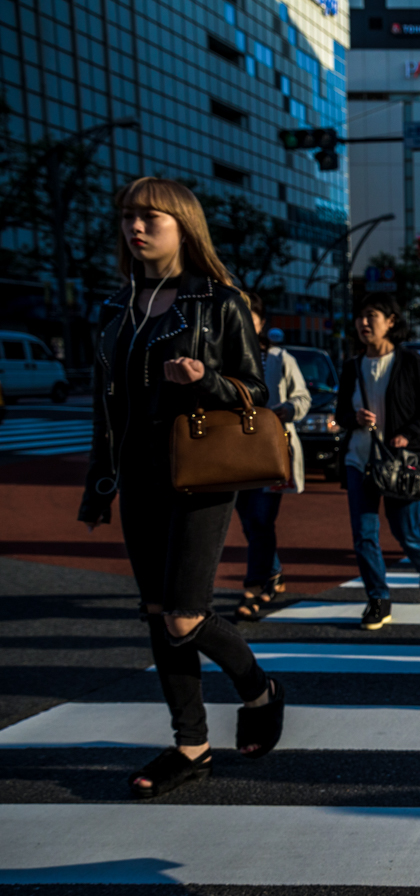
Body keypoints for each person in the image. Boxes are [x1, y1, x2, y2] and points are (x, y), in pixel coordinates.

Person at [77, 176, 286, 798]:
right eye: (128, 217)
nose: (135, 228)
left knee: (184, 616)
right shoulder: (115, 309)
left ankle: (260, 688)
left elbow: (256, 392)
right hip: (138, 478)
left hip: (198, 473)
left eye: (151, 218)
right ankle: (191, 745)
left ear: (183, 227)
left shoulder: (217, 302)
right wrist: (99, 486)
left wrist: (204, 380)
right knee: (155, 614)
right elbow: (104, 408)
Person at [335, 293, 420, 630]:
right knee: (364, 534)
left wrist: (407, 433)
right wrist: (354, 418)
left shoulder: (410, 362)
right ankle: (378, 599)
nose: (364, 323)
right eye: (360, 317)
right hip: (359, 460)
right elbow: (340, 414)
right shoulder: (352, 366)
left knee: (406, 530)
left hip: (400, 461)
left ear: (391, 321)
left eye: (372, 316)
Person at [232, 294, 311, 621]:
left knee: (262, 520)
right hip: (233, 454)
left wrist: (288, 409)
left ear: (262, 323)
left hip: (272, 449)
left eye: (250, 318)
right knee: (248, 521)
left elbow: (303, 397)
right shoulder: (225, 358)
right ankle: (273, 572)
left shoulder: (280, 358)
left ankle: (253, 588)